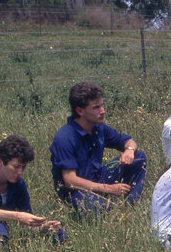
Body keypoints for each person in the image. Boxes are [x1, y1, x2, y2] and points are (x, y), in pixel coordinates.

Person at [49, 81, 147, 214]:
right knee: (101, 209)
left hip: (97, 178)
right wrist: (109, 189)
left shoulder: (98, 127)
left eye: (102, 105)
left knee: (138, 157)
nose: (103, 111)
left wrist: (129, 150)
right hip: (75, 190)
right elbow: (70, 181)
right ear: (80, 110)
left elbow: (130, 142)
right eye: (96, 107)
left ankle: (132, 203)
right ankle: (107, 204)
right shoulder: (64, 138)